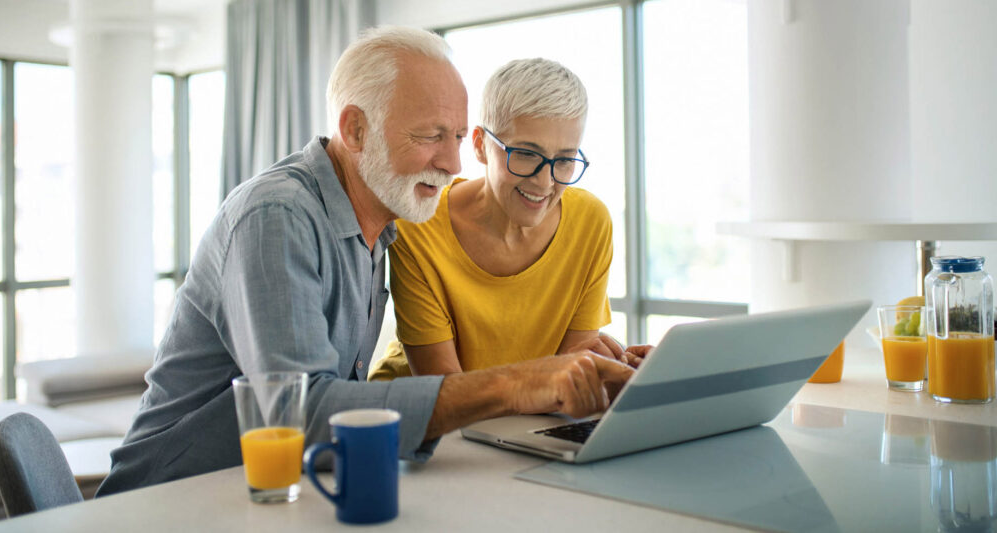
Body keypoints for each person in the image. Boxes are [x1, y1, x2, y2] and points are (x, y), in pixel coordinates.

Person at [96, 26, 633, 496]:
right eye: (429, 136)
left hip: (280, 493)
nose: (450, 164)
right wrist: (516, 383)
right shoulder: (278, 216)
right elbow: (303, 416)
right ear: (355, 130)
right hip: (171, 502)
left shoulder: (382, 224)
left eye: (453, 137)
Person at [370, 58, 649, 381]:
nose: (545, 182)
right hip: (417, 423)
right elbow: (443, 391)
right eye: (526, 154)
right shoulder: (420, 224)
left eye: (564, 160)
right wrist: (557, 382)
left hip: (522, 423)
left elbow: (570, 379)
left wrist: (626, 374)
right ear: (479, 145)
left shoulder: (590, 222)